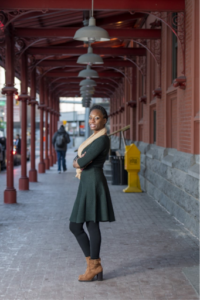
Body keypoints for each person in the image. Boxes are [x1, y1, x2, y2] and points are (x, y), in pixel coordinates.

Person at [69, 105, 115, 282]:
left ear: (105, 120)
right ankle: (94, 265)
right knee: (77, 226)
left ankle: (94, 266)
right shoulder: (94, 138)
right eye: (91, 118)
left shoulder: (102, 140)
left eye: (97, 118)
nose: (93, 121)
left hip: (93, 182)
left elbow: (82, 161)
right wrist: (79, 162)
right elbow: (81, 160)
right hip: (87, 182)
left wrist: (78, 162)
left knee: (91, 225)